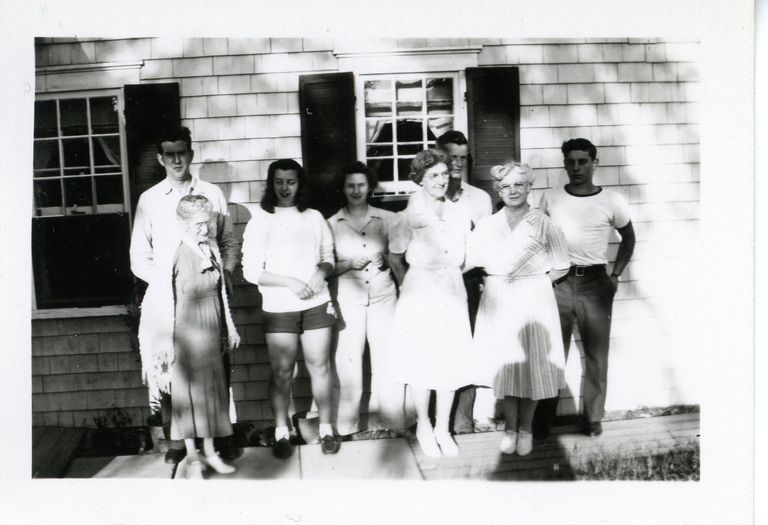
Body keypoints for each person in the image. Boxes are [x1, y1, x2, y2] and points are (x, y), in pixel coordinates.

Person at [130, 125, 240, 465]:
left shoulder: (212, 193)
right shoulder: (149, 200)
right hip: (172, 300)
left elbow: (229, 240)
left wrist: (224, 274)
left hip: (207, 295)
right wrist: (168, 285)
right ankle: (179, 445)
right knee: (172, 370)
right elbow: (139, 256)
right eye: (170, 154)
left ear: (190, 153)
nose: (177, 159)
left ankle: (218, 439)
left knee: (214, 371)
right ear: (162, 159)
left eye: (183, 152)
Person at [468, 162, 570, 456]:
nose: (512, 191)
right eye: (506, 186)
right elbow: (474, 258)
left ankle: (525, 428)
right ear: (498, 190)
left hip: (534, 299)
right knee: (507, 365)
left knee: (532, 367)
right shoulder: (488, 225)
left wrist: (533, 286)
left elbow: (561, 266)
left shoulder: (544, 224)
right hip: (498, 299)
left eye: (519, 185)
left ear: (528, 188)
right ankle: (510, 427)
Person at [241, 159, 341, 457]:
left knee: (320, 366)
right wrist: (289, 282)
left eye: (291, 181)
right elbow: (250, 271)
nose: (285, 188)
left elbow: (328, 257)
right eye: (279, 181)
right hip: (279, 307)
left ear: (300, 184)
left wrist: (319, 273)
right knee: (282, 370)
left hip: (316, 302)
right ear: (271, 184)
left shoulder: (313, 217)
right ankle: (281, 431)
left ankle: (326, 430)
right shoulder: (261, 219)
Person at [537, 138, 636, 437]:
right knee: (552, 353)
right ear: (564, 164)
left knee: (596, 355)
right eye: (571, 161)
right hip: (559, 282)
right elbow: (537, 239)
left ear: (594, 162)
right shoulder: (551, 198)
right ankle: (542, 421)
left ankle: (593, 418)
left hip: (596, 282)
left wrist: (615, 274)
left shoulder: (612, 200)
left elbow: (629, 237)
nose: (576, 167)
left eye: (583, 161)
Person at [389, 149, 474, 458]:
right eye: (433, 175)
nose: (441, 180)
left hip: (451, 289)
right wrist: (409, 285)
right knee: (422, 359)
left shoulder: (459, 212)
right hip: (420, 291)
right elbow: (395, 257)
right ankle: (424, 426)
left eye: (444, 174)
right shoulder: (409, 216)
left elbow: (466, 255)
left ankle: (443, 428)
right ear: (420, 180)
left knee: (449, 359)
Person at [327, 162, 408, 436]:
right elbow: (325, 268)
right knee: (347, 364)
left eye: (361, 185)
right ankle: (346, 427)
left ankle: (396, 424)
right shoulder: (331, 224)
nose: (356, 190)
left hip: (384, 298)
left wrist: (385, 258)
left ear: (369, 186)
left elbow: (400, 257)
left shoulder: (388, 219)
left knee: (388, 360)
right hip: (347, 300)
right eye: (351, 185)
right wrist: (348, 263)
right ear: (342, 188)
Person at [170, 195, 240, 478]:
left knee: (212, 389)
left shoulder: (211, 247)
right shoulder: (175, 253)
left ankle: (210, 451)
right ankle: (192, 457)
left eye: (208, 221)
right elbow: (162, 299)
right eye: (198, 223)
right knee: (189, 393)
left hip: (213, 327)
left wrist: (231, 327)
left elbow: (222, 292)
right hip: (186, 331)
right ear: (183, 223)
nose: (205, 228)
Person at [435, 130, 495, 434]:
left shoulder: (480, 199)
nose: (457, 164)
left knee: (467, 348)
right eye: (451, 158)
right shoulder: (428, 194)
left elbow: (486, 245)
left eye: (462, 158)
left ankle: (463, 420)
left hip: (469, 281)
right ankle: (437, 421)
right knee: (439, 348)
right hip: (435, 284)